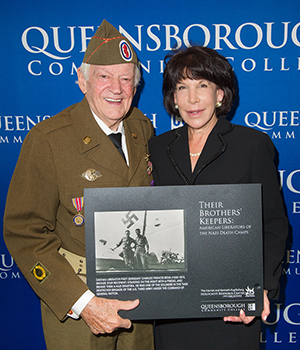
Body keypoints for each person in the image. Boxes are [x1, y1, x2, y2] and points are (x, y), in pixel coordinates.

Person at [4, 20, 154, 350]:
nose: (117, 87)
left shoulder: (142, 129)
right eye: (104, 76)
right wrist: (83, 301)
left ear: (135, 86)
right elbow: (23, 230)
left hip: (141, 300)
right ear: (82, 81)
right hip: (80, 303)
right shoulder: (48, 140)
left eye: (126, 78)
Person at [148, 46, 288, 350]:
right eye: (182, 88)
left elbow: (274, 225)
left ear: (220, 94)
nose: (192, 99)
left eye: (202, 86)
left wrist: (260, 287)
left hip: (231, 304)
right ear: (173, 98)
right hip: (174, 306)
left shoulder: (252, 145)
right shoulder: (158, 148)